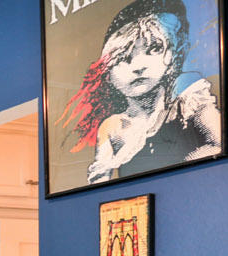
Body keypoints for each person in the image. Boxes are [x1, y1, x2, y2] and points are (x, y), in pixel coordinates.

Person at [58, 0, 222, 183]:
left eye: (154, 49)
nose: (138, 66)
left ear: (171, 54)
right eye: (123, 57)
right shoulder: (113, 127)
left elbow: (217, 144)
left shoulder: (188, 98)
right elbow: (98, 181)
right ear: (108, 71)